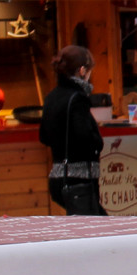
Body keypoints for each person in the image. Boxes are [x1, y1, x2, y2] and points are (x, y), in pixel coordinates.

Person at [39, 45, 105, 216]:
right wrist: (97, 143)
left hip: (58, 177)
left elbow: (44, 136)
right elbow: (84, 137)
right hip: (79, 179)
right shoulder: (78, 98)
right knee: (97, 232)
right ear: (82, 70)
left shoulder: (51, 97)